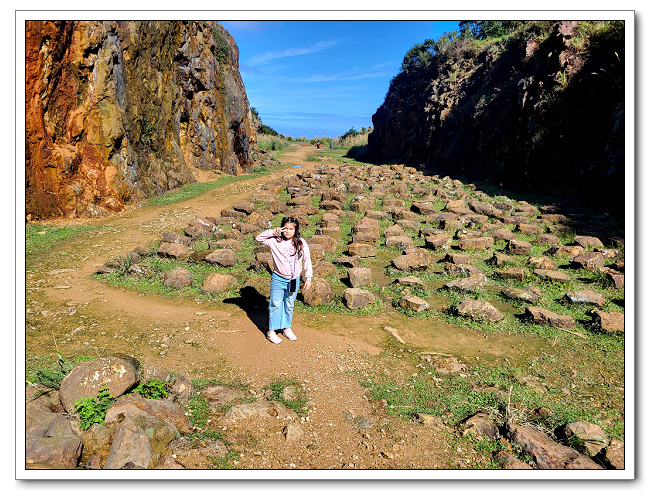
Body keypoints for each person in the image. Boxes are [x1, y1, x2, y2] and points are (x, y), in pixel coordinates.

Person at [255, 217, 313, 344]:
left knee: (289, 304)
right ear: (281, 228)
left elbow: (307, 260)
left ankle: (286, 328)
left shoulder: (301, 243)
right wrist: (273, 232)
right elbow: (258, 238)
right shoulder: (275, 241)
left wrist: (308, 278)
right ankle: (271, 331)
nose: (288, 231)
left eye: (291, 229)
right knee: (275, 304)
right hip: (278, 278)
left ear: (296, 230)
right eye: (285, 228)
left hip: (294, 280)